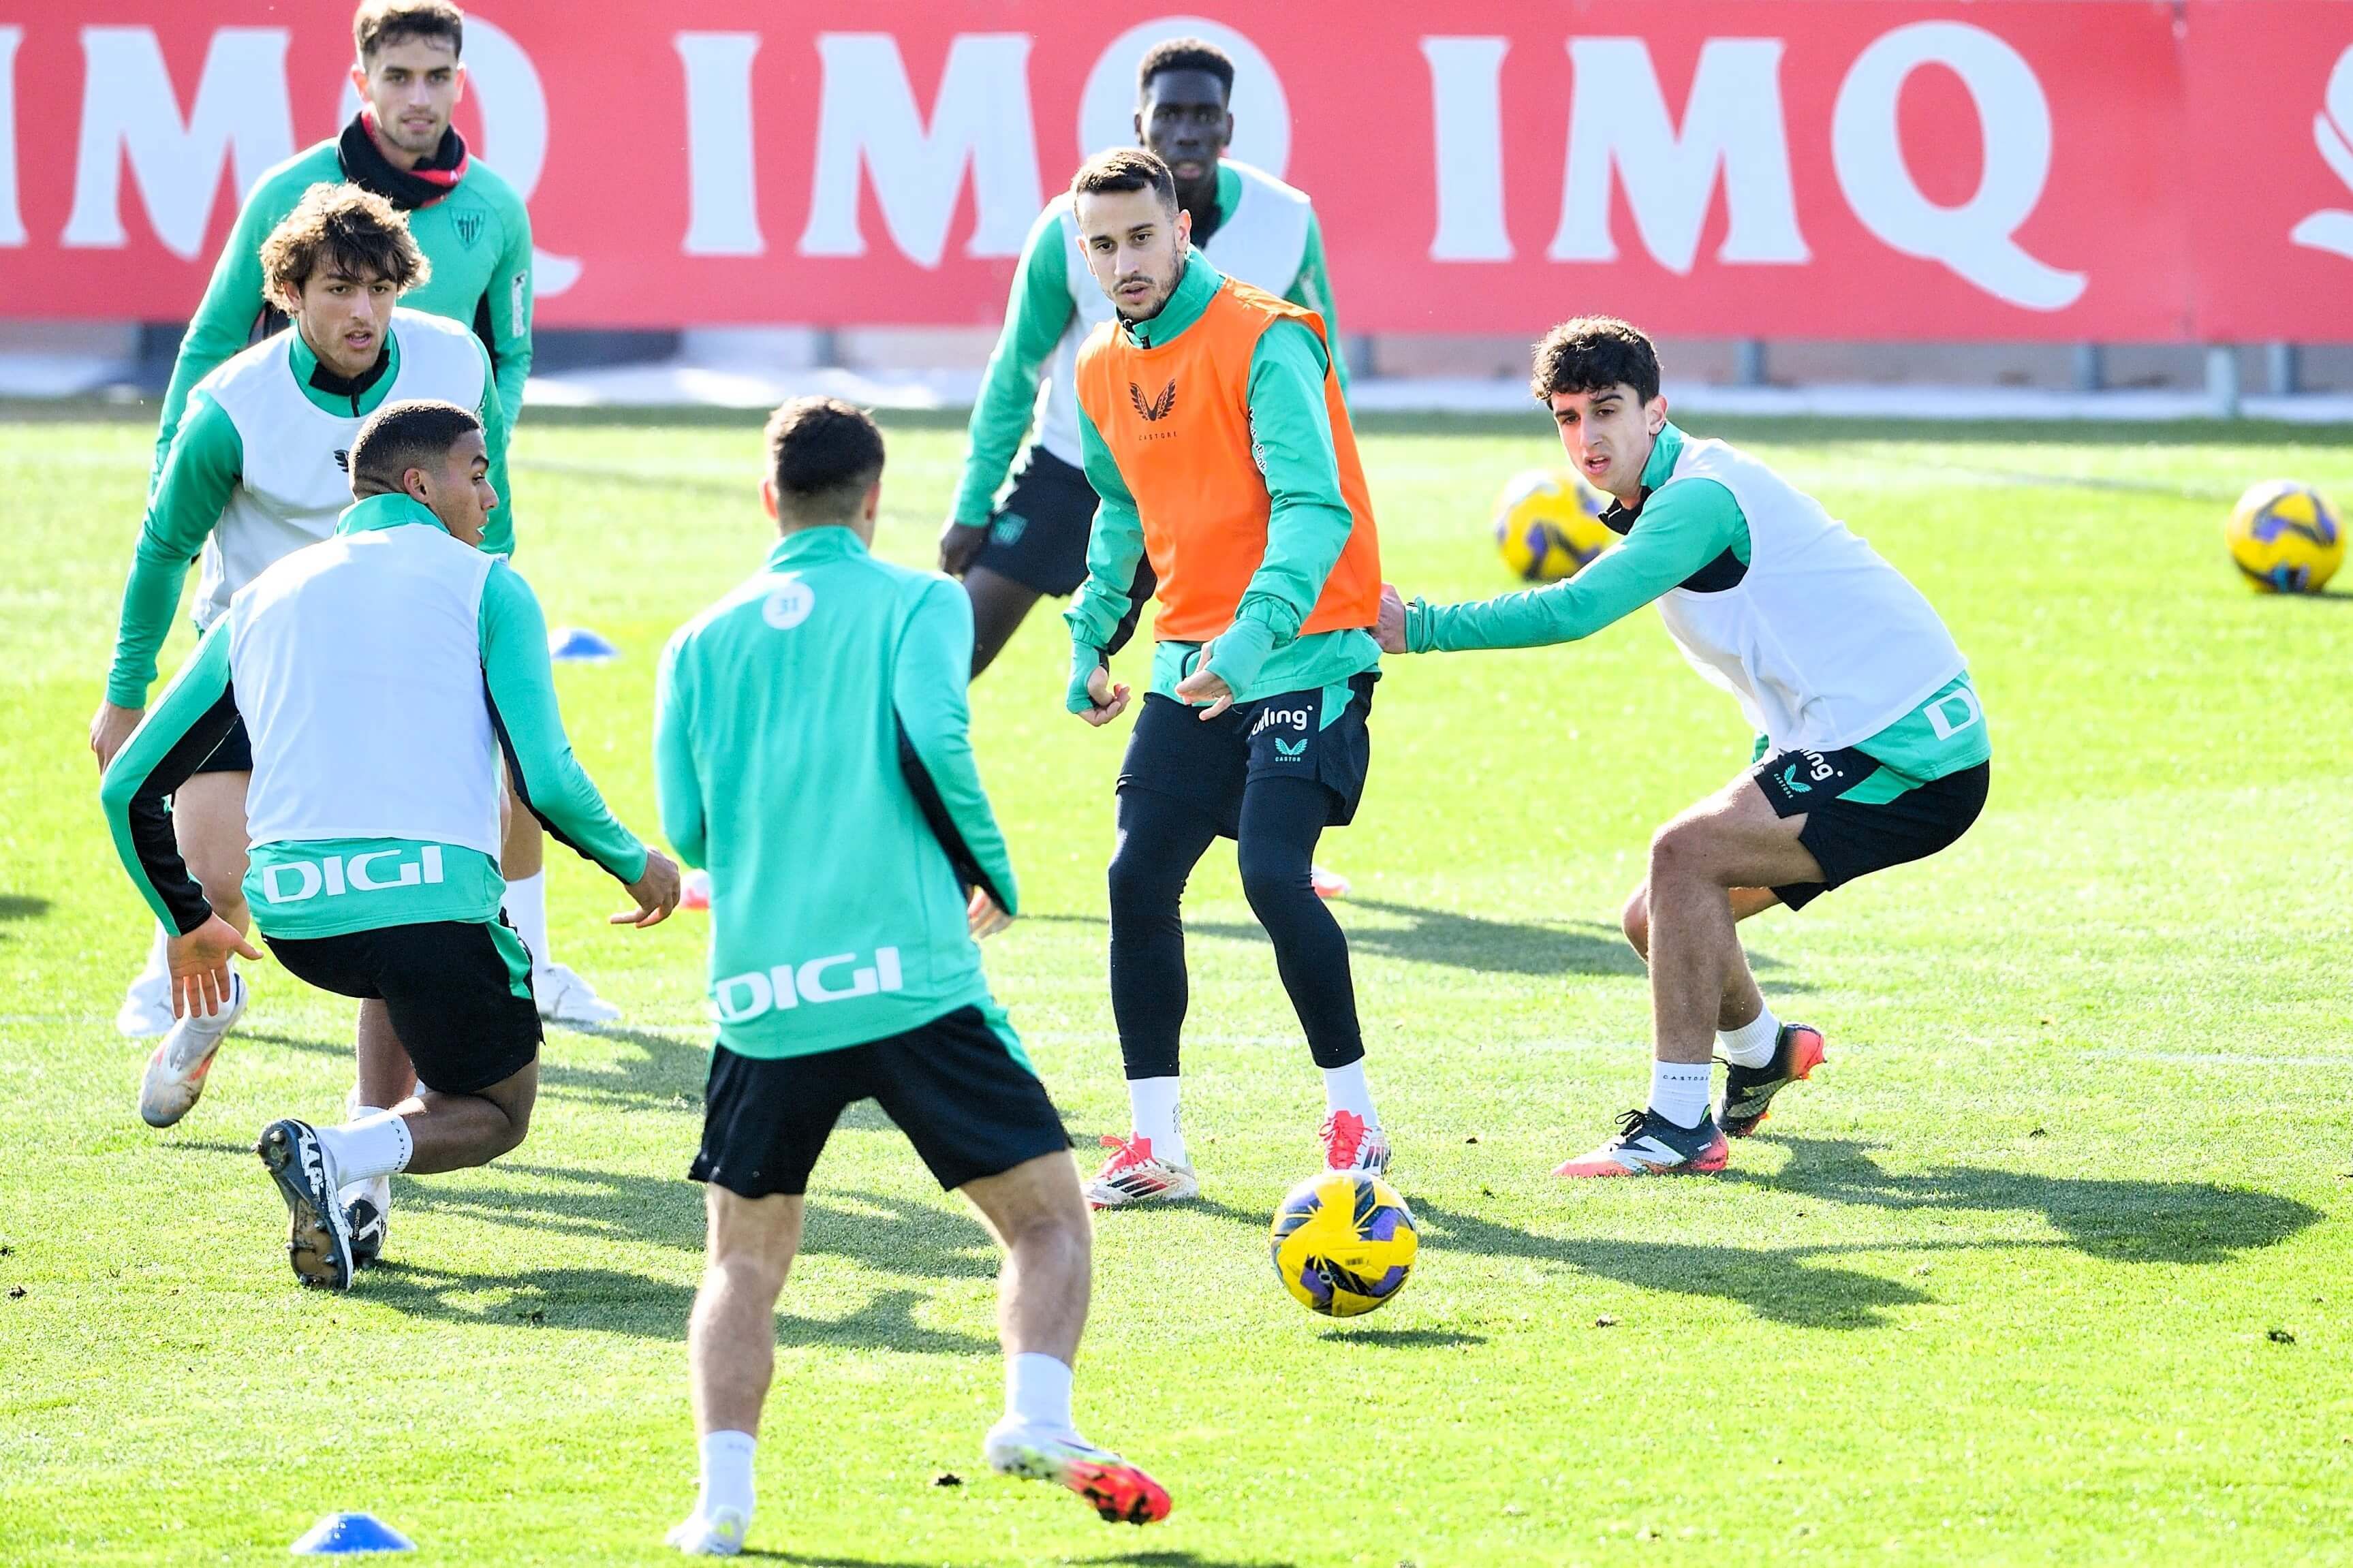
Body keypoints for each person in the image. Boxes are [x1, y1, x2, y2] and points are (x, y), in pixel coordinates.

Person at [655, 397, 1167, 1554]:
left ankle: (721, 1506)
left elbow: (687, 828)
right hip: (912, 983)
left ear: (766, 498)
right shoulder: (922, 602)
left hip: (764, 998)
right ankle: (1035, 1416)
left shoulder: (698, 642)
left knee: (742, 1261)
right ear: (874, 498)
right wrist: (991, 870)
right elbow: (936, 738)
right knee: (1049, 1221)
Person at [1377, 317, 1991, 1176]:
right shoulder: (1670, 493)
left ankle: (1675, 1125)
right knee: (1656, 917)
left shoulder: (1696, 499)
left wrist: (1420, 629)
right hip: (1854, 733)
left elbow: (1573, 610)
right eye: (1566, 417)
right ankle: (1764, 1052)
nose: (1587, 438)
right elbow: (1778, 641)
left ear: (1655, 410)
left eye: (1606, 410)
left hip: (1912, 751)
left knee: (1682, 854)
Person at [99, 398, 679, 1293]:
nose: (491, 495)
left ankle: (358, 1199)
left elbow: (127, 782)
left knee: (399, 974)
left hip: (298, 923)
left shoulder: (260, 597)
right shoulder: (489, 584)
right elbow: (548, 781)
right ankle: (337, 1149)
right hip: (430, 911)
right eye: (478, 471)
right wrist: (637, 859)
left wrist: (186, 919)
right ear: (421, 483)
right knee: (493, 1108)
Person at [114, 0, 616, 1031]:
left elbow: (503, 357)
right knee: (215, 862)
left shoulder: (485, 229)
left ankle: (527, 954)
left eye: (438, 76)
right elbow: (206, 354)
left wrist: (470, 470)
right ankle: (185, 956)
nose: (418, 96)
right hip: (262, 621)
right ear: (364, 81)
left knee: (514, 752)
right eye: (400, 75)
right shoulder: (276, 241)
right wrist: (177, 472)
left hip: (413, 572)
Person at [91, 184, 511, 1223]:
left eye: (378, 287)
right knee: (220, 878)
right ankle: (209, 1007)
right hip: (255, 655)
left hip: (396, 658)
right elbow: (165, 548)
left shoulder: (456, 362)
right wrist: (125, 689)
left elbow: (488, 510)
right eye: (336, 289)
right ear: (287, 294)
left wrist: (488, 647)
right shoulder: (232, 405)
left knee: (391, 877)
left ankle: (362, 1155)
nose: (361, 311)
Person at [1059, 151, 1388, 1209]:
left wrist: (1249, 642)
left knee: (1269, 873)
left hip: (1305, 649)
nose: (1125, 262)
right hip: (1190, 660)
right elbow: (1121, 512)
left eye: (1141, 237)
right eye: (1102, 245)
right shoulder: (1100, 366)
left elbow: (1314, 508)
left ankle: (1356, 1120)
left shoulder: (1266, 335)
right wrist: (1089, 634)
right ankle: (1156, 1145)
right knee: (1134, 878)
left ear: (1183, 230)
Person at [942, 37, 1347, 678]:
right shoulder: (1068, 228)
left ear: (1228, 127)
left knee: (1235, 683)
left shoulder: (1288, 220)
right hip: (1076, 472)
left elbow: (1324, 370)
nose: (1186, 132)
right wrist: (972, 505)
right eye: (1169, 115)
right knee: (946, 657)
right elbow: (1017, 368)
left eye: (1203, 115)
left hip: (1219, 492)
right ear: (1141, 124)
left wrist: (1332, 493)